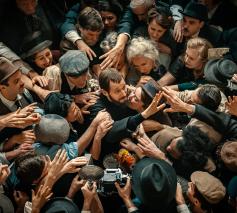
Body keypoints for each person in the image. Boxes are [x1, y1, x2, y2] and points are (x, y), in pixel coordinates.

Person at [85, 68, 166, 160]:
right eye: (117, 91)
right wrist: (144, 115)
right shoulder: (96, 106)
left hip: (131, 147)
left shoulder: (128, 93)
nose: (124, 94)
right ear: (104, 92)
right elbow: (111, 134)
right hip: (106, 156)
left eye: (124, 87)